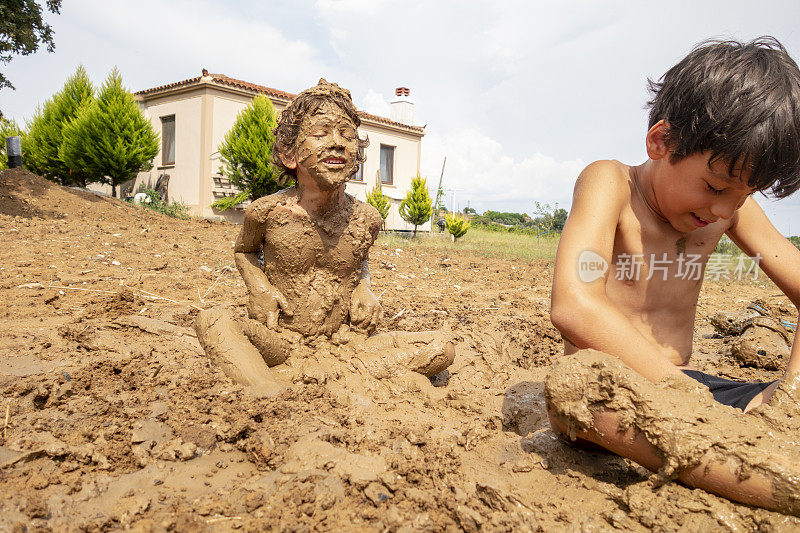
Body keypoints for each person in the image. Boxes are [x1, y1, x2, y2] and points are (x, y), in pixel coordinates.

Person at [546, 37, 800, 514]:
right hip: (617, 392)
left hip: (697, 393)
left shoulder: (729, 207)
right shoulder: (611, 183)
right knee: (572, 390)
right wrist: (685, 398)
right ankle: (777, 484)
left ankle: (746, 457)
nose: (724, 209)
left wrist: (788, 398)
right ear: (661, 141)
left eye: (745, 196)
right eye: (715, 187)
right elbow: (574, 305)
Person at [194, 79, 454, 396]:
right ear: (290, 154)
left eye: (347, 135)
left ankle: (332, 380)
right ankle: (268, 394)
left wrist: (364, 290)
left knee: (442, 346)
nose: (336, 143)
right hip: (282, 343)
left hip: (348, 346)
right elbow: (244, 252)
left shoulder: (367, 219)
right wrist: (259, 287)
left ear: (357, 154)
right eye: (319, 134)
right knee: (214, 321)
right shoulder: (266, 212)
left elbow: (358, 263)